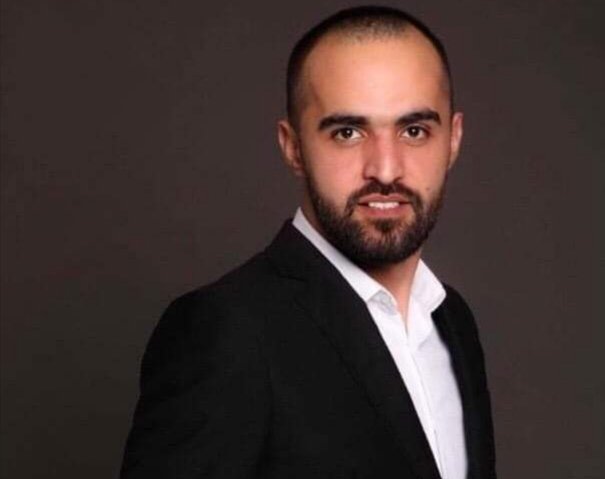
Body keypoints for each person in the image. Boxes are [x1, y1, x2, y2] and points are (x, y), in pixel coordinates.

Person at [120, 6, 495, 479]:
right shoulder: (227, 332)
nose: (385, 169)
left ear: (453, 140)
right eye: (348, 133)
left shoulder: (451, 322)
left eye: (414, 131)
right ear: (293, 146)